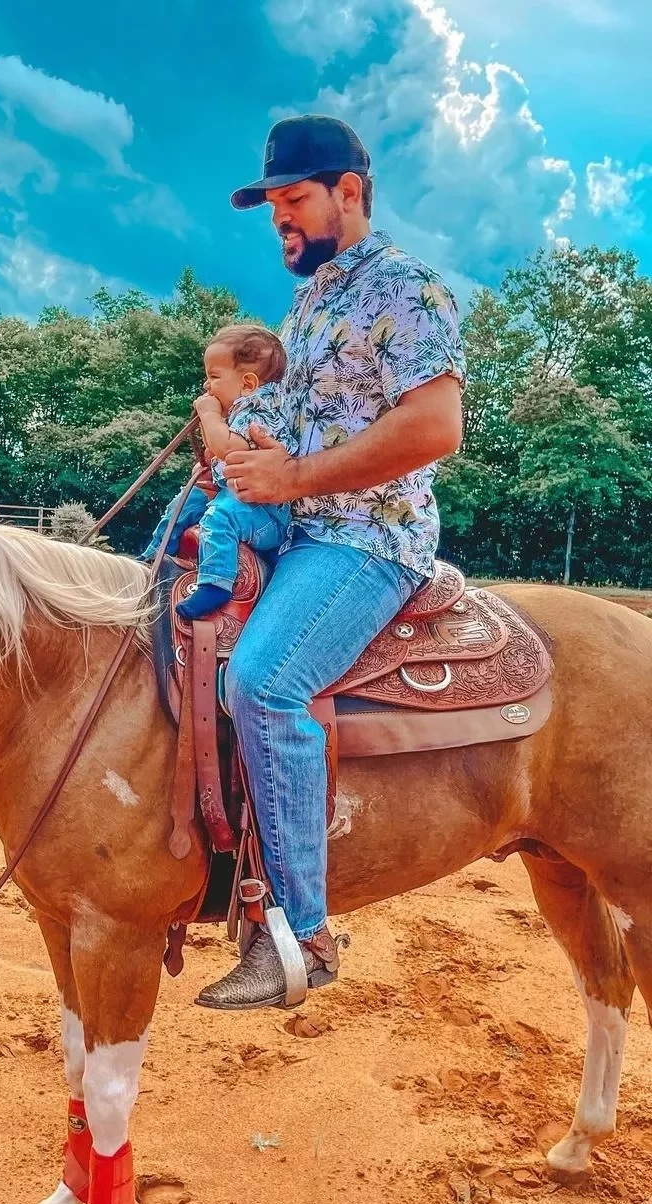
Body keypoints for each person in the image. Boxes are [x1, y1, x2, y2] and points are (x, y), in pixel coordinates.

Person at [196, 114, 466, 1011]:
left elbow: (434, 428)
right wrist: (253, 450)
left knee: (265, 682)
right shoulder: (308, 303)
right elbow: (318, 424)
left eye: (294, 199)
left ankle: (298, 934)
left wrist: (298, 474)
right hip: (298, 520)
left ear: (349, 192)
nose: (281, 217)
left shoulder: (408, 290)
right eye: (271, 203)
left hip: (366, 538)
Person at [140, 324, 291, 619]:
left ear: (247, 384)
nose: (207, 386)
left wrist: (209, 415)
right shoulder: (237, 412)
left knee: (220, 515)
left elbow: (230, 448)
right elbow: (221, 454)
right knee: (187, 499)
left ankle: (215, 583)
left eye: (214, 377)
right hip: (236, 495)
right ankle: (154, 556)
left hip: (266, 515)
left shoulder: (261, 409)